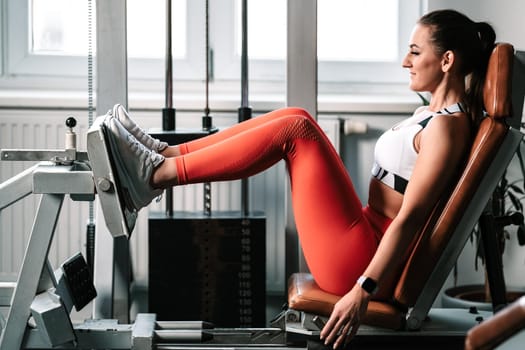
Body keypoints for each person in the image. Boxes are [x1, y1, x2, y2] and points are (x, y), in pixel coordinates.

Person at [103, 9, 496, 348]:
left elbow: (410, 219)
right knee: (298, 117)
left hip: (360, 260)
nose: (404, 62)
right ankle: (166, 154)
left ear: (446, 60)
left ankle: (155, 175)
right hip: (362, 235)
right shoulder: (433, 116)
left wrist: (363, 290)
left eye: (415, 52)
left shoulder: (446, 129)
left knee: (295, 131)